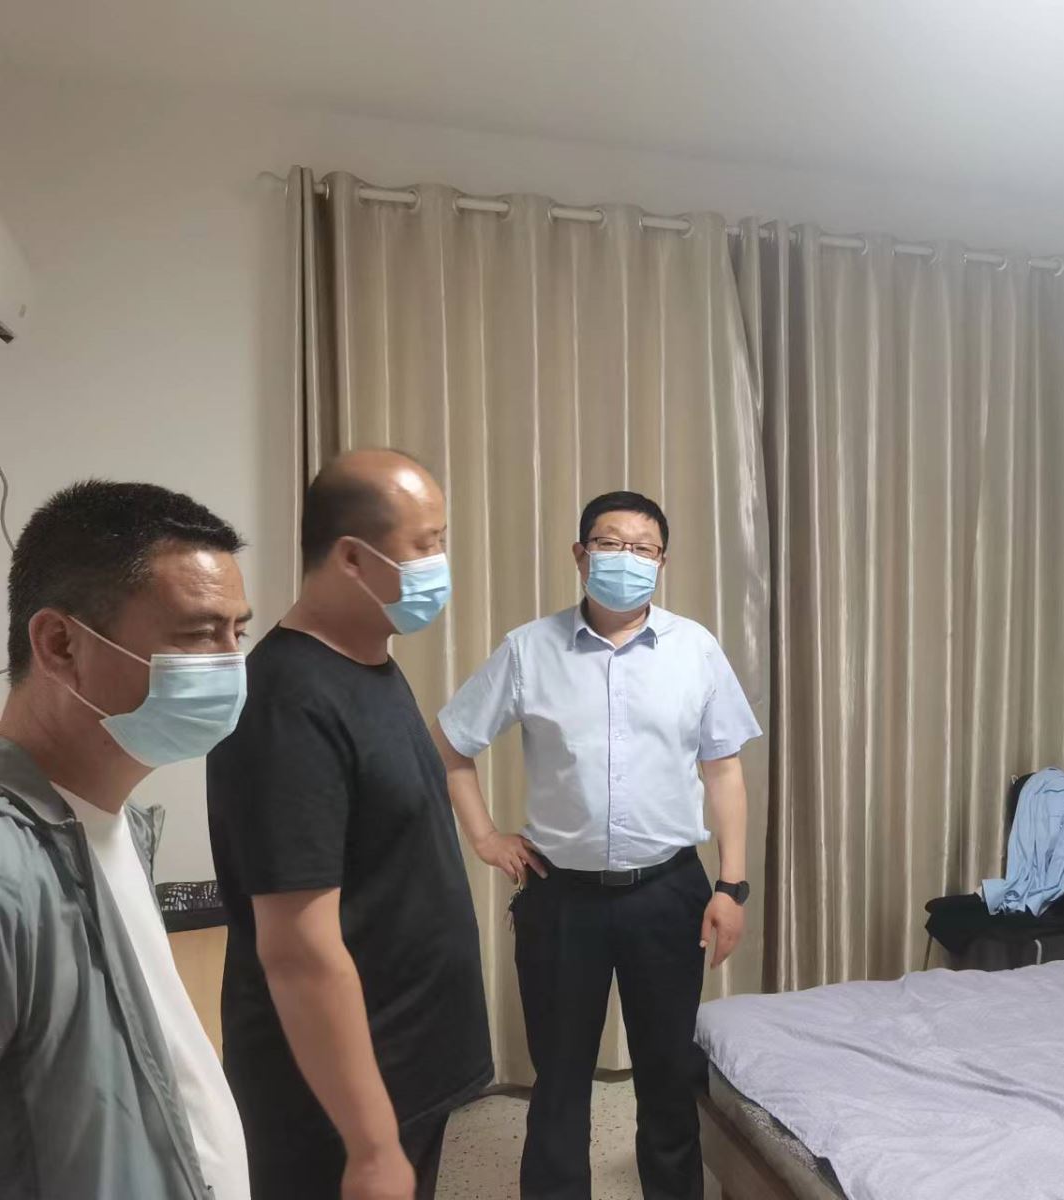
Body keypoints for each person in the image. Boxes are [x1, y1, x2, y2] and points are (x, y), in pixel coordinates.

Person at [435, 490, 759, 1200]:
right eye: (610, 543)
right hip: (562, 897)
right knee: (559, 1080)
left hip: (669, 893)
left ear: (662, 562)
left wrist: (731, 886)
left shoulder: (695, 649)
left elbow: (724, 770)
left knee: (667, 1074)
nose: (626, 558)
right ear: (580, 555)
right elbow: (453, 743)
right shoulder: (529, 649)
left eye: (643, 548)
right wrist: (484, 837)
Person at [207, 449, 491, 1200]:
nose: (439, 564)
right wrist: (369, 1145)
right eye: (424, 544)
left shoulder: (366, 664)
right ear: (353, 559)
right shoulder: (287, 703)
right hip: (331, 1109)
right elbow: (298, 950)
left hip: (404, 1067)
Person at [0, 480, 253, 1199]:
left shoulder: (113, 828)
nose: (231, 664)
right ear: (60, 644)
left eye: (238, 633)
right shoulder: (10, 869)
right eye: (198, 634)